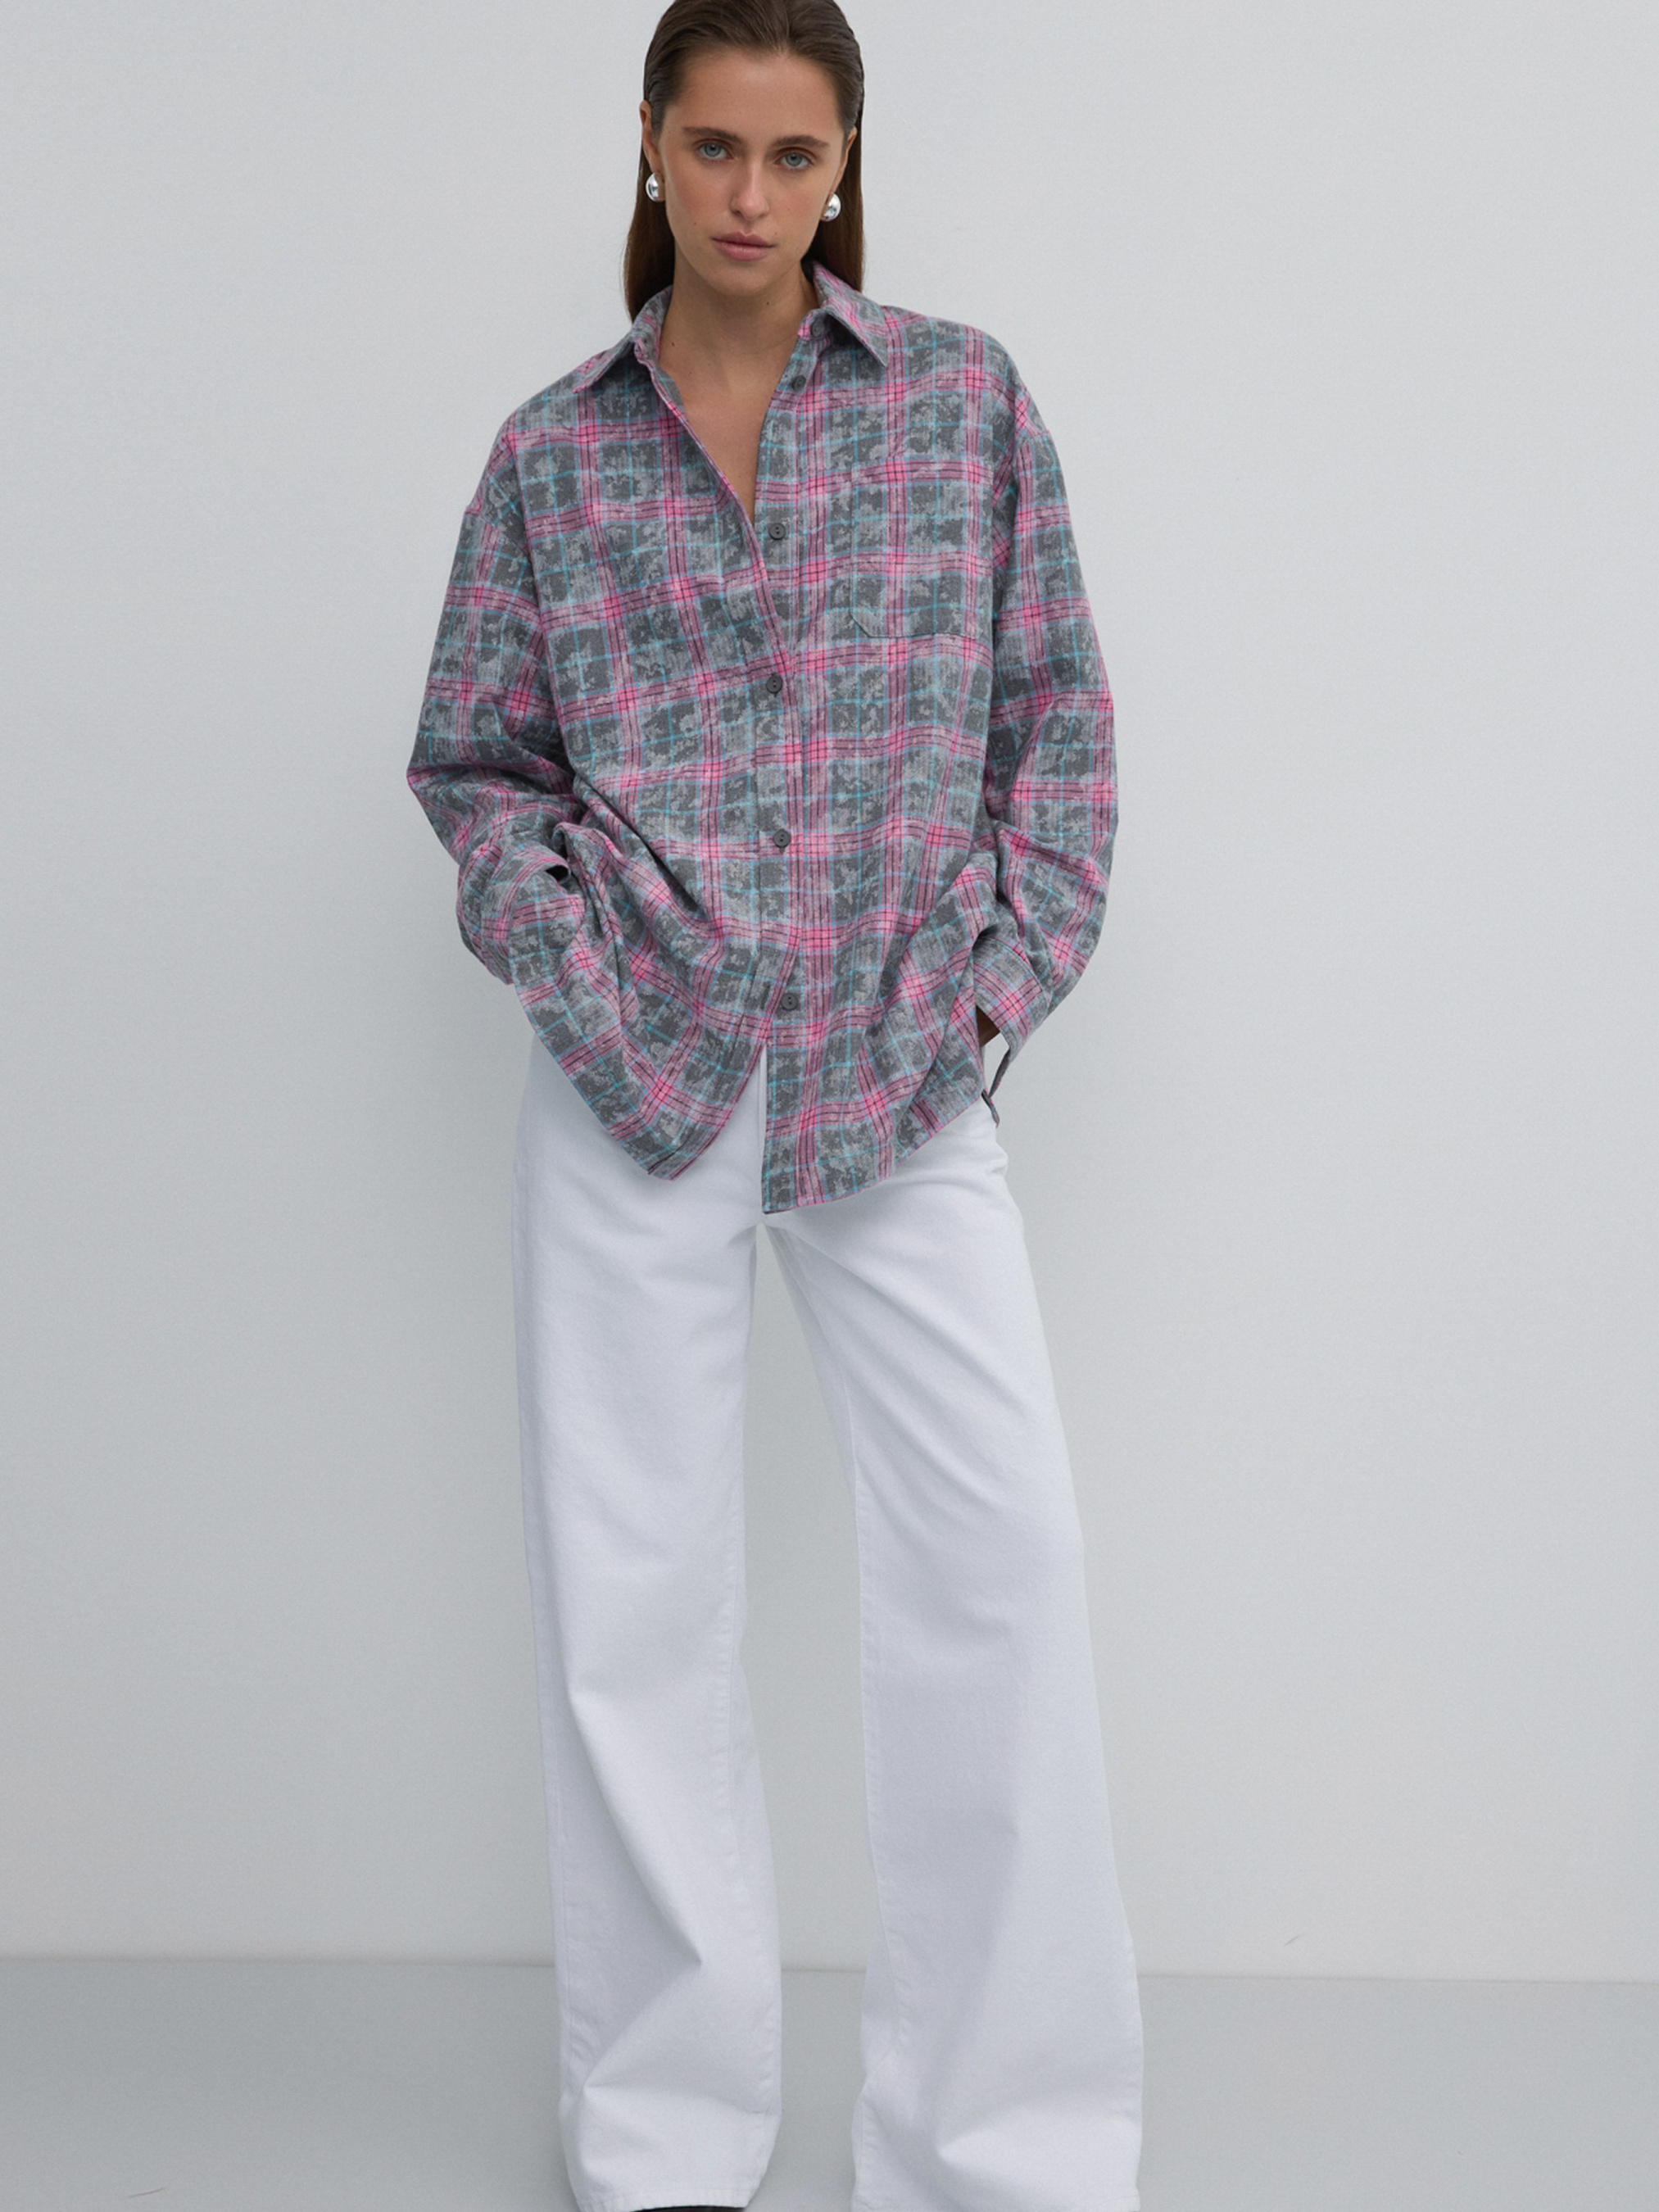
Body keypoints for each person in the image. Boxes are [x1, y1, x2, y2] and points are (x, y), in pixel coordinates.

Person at [406, 3, 1144, 2208]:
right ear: (649, 146)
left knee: (998, 1565)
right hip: (632, 1072)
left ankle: (1004, 2143)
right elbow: (476, 762)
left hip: (895, 1068)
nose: (750, 195)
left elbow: (1057, 723)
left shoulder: (961, 405)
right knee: (631, 1605)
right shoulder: (551, 458)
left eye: (792, 153)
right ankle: (662, 2136)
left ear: (845, 166)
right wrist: (568, 958)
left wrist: (990, 984)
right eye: (713, 146)